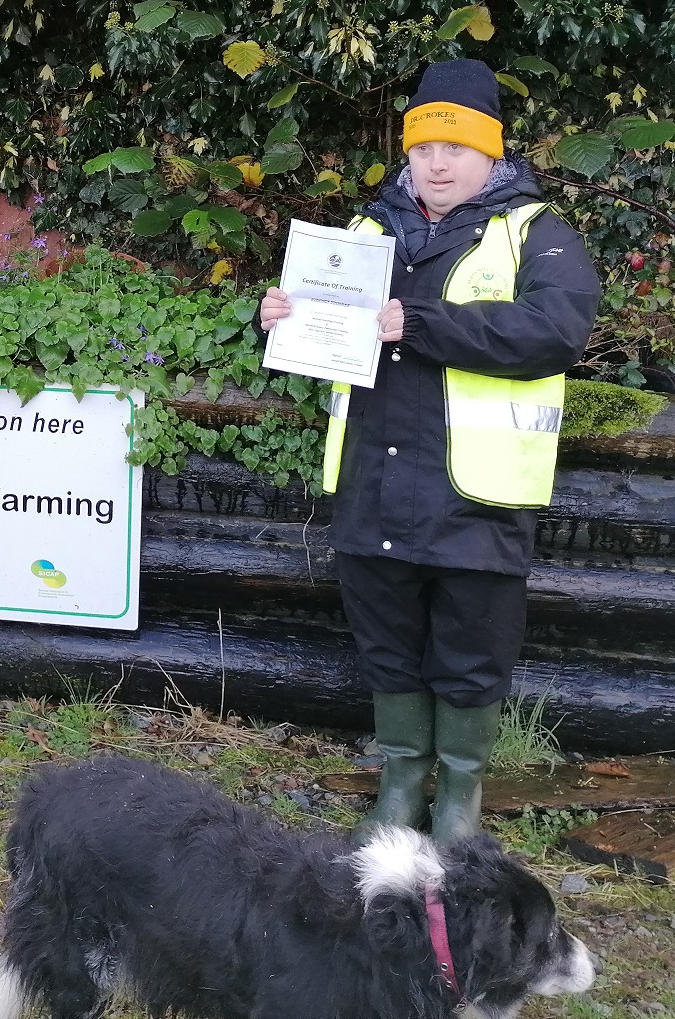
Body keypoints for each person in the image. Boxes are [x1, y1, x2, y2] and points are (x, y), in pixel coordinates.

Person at [260, 59, 599, 843]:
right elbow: (324, 328)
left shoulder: (536, 231)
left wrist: (420, 324)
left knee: (472, 648)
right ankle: (403, 779)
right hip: (375, 477)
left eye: (456, 147)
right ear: (406, 154)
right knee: (387, 641)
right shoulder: (367, 231)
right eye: (423, 148)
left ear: (491, 154)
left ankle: (461, 797)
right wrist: (277, 316)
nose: (437, 163)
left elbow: (554, 333)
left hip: (476, 490)